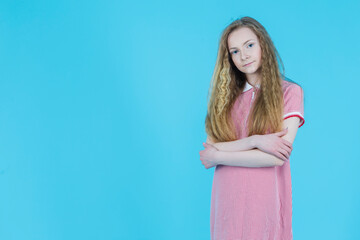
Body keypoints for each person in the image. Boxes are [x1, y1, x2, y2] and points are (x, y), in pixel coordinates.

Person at [199, 16, 305, 240]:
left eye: (249, 45)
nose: (243, 55)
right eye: (235, 51)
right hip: (227, 197)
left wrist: (220, 154)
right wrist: (255, 141)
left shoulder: (289, 92)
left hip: (264, 198)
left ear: (263, 44)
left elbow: (276, 158)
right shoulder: (225, 100)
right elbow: (209, 149)